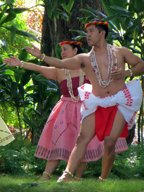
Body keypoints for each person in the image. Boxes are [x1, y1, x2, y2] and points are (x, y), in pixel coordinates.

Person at [4, 40, 118, 180]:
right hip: (65, 111)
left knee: (84, 143)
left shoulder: (88, 66)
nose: (62, 53)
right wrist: (20, 63)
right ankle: (46, 175)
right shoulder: (59, 71)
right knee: (58, 140)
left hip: (87, 109)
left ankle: (77, 177)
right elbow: (38, 68)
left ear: (75, 51)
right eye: (61, 50)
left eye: (66, 49)